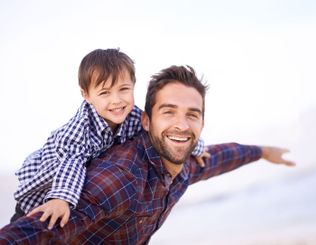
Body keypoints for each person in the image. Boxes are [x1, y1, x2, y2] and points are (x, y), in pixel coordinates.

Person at [0, 65, 295, 244]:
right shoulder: (119, 177)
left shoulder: (184, 164)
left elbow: (220, 158)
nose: (181, 124)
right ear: (146, 120)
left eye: (192, 114)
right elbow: (41, 230)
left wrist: (263, 152)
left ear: (202, 123)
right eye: (168, 112)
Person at [11, 49, 206, 230]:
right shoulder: (79, 130)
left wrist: (196, 147)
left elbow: (163, 130)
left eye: (123, 89)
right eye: (105, 93)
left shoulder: (133, 117)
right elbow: (72, 163)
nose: (117, 100)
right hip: (45, 193)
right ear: (86, 95)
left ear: (133, 86)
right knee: (33, 231)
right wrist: (61, 199)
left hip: (76, 194)